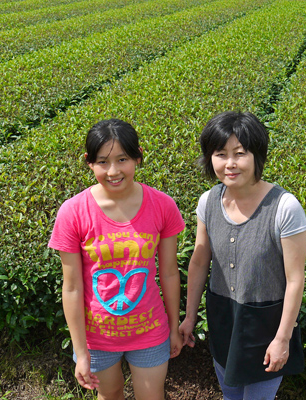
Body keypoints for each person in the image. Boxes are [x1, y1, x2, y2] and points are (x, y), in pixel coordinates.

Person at [49, 119, 184, 400]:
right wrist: (81, 351)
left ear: (138, 156)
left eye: (122, 159)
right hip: (97, 337)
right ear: (89, 162)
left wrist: (174, 327)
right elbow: (72, 287)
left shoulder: (162, 205)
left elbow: (170, 273)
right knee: (110, 396)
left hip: (149, 330)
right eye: (102, 162)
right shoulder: (73, 212)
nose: (113, 171)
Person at [178, 111, 306, 400]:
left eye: (240, 153)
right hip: (224, 317)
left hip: (266, 324)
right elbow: (199, 260)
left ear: (257, 156)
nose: (230, 164)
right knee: (230, 394)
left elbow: (295, 279)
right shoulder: (208, 201)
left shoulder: (285, 207)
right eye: (221, 154)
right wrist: (189, 317)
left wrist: (282, 338)